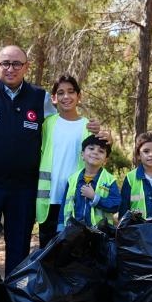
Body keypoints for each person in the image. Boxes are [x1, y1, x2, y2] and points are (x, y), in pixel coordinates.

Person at [0, 46, 100, 274]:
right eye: (5, 63)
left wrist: (96, 131)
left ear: (26, 67)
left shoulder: (40, 97)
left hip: (24, 188)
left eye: (17, 64)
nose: (11, 69)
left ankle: (13, 292)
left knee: (19, 247)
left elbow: (62, 126)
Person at [35, 75, 92, 246]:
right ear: (54, 98)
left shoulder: (88, 126)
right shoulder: (47, 124)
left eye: (71, 92)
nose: (66, 96)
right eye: (60, 93)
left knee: (73, 251)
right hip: (49, 200)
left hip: (75, 199)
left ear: (79, 96)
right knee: (47, 251)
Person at [61, 135, 121, 229]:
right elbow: (64, 206)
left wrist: (95, 198)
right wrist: (60, 228)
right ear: (82, 154)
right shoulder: (72, 179)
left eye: (101, 151)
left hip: (100, 232)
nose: (95, 152)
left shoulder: (110, 180)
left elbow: (116, 205)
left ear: (105, 160)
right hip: (74, 231)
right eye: (91, 148)